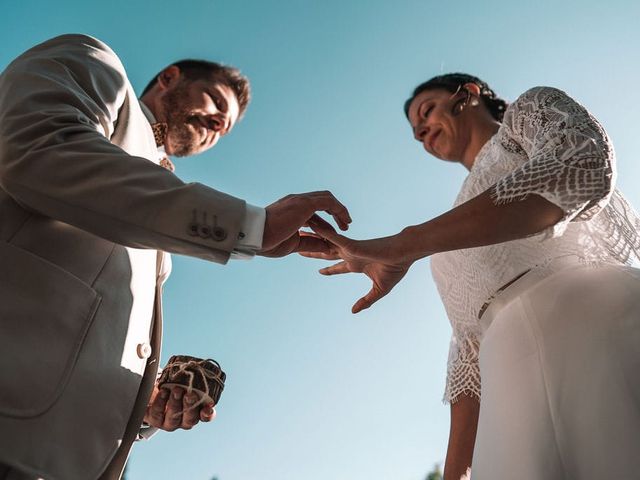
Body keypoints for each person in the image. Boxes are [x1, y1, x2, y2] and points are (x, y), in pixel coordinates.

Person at [0, 34, 350, 480]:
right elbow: (40, 152)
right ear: (169, 79)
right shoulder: (94, 63)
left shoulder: (162, 219)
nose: (219, 123)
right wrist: (252, 225)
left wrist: (147, 407)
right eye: (217, 102)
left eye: (227, 126)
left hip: (72, 458)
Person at [305, 73, 640, 480]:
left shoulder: (527, 113)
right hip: (512, 395)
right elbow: (468, 355)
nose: (421, 132)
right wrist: (455, 472)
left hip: (591, 328)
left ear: (468, 95)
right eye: (415, 131)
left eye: (426, 111)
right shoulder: (453, 221)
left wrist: (405, 243)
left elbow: (581, 165)